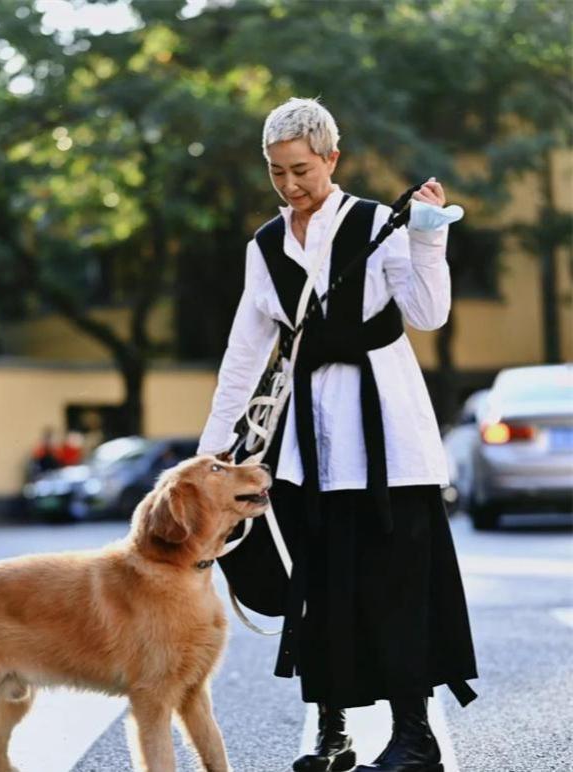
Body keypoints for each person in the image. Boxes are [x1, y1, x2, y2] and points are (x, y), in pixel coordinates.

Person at [198, 97, 478, 772]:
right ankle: (333, 735)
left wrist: (429, 235)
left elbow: (427, 312)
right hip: (307, 452)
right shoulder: (265, 248)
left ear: (332, 158)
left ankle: (416, 737)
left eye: (301, 169)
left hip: (392, 447)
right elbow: (244, 354)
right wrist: (211, 452)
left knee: (399, 589)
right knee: (318, 593)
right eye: (276, 172)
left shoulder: (379, 224)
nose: (290, 185)